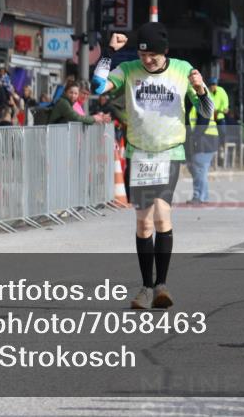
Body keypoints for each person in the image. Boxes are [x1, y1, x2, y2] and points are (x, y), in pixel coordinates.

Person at [94, 23, 214, 310]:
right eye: (143, 55)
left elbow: (207, 111)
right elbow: (97, 86)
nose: (147, 60)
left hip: (169, 152)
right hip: (139, 154)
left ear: (165, 52)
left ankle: (162, 285)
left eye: (153, 56)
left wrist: (200, 89)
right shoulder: (129, 70)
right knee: (144, 222)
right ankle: (146, 288)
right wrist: (109, 51)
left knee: (161, 215)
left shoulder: (183, 70)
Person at [187, 84, 220, 204]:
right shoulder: (203, 100)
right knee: (200, 169)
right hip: (208, 139)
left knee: (199, 169)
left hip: (205, 140)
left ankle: (199, 196)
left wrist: (194, 139)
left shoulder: (199, 101)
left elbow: (203, 122)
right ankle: (203, 196)